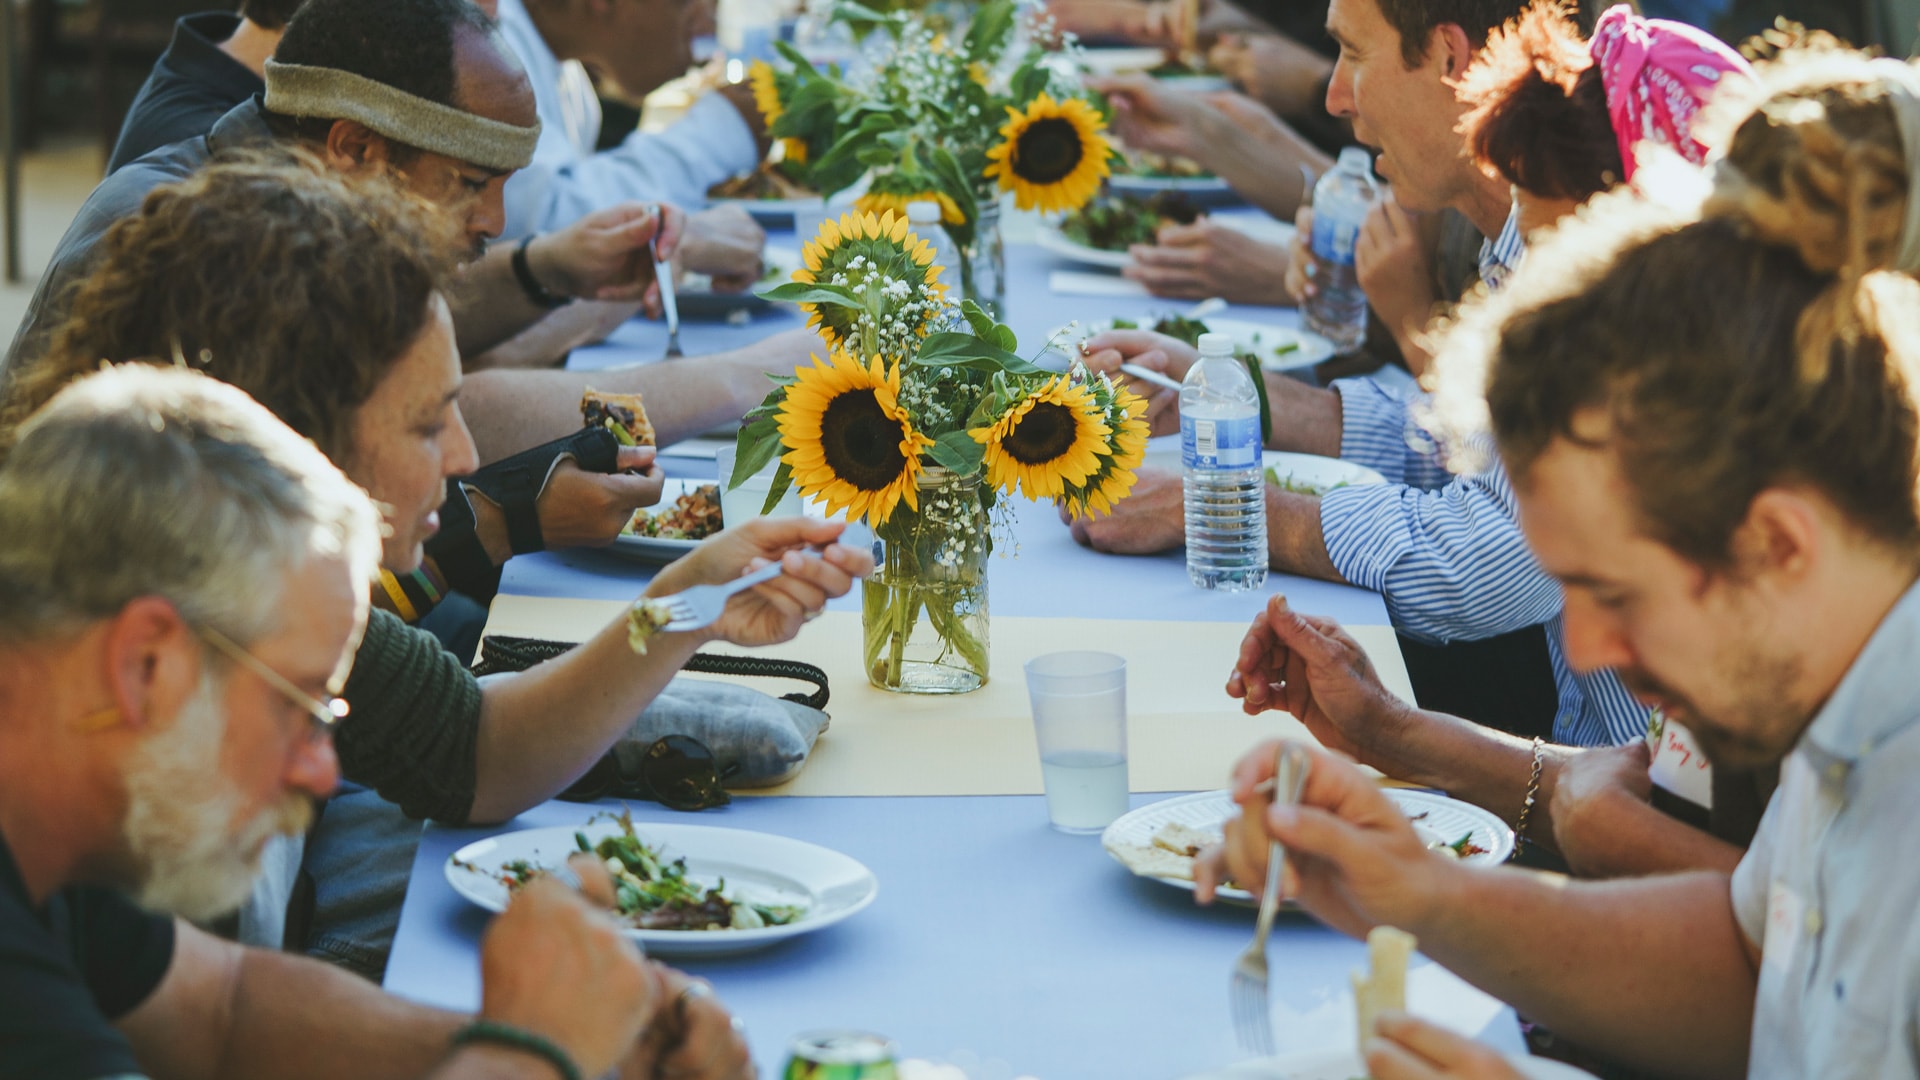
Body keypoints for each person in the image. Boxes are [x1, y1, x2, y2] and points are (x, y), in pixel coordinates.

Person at [1206, 48, 1920, 1079]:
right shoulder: (1836, 675)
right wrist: (1420, 893)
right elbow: (1752, 967)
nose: (1587, 646)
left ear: (1779, 540)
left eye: (1616, 592)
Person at [2, 154, 873, 976]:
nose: (463, 458)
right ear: (287, 443)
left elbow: (474, 751)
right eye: (428, 424)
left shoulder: (251, 590)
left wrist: (684, 601)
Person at [0, 364, 751, 1080]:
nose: (324, 766)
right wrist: (529, 1052)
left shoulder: (61, 814)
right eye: (300, 704)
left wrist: (592, 1048)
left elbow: (223, 1010)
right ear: (144, 665)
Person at [1076, 0, 1750, 762]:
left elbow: (1493, 558)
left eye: (1354, 54)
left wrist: (1226, 509)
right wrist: (1248, 402)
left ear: (1449, 58)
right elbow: (1475, 454)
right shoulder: (1549, 224)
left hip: (1638, 786)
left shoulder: (1591, 264)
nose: (1333, 95)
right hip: (1589, 757)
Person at [12, 0, 807, 431]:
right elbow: (449, 417)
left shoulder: (289, 181)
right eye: (469, 182)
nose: (495, 220)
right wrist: (743, 376)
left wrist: (549, 268)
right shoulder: (213, 239)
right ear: (355, 148)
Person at [491, 0, 771, 241]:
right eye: (686, 2)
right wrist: (720, 133)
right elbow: (543, 227)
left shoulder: (566, 74)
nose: (707, 33)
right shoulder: (486, 50)